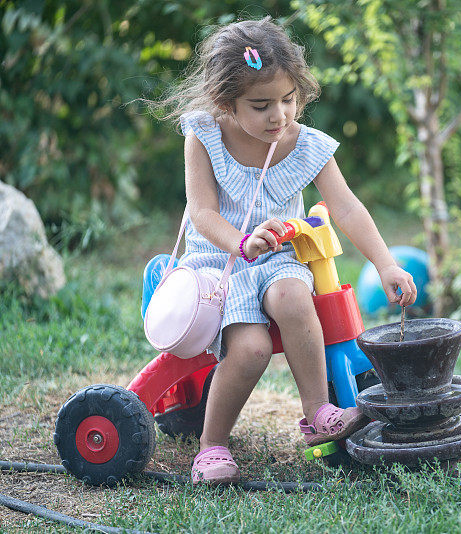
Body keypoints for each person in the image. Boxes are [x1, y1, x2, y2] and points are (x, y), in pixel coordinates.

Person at [150, 16, 417, 484]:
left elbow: (347, 207)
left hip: (279, 258)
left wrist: (386, 263)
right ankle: (212, 445)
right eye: (261, 105)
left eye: (288, 99)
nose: (279, 116)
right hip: (222, 261)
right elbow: (202, 213)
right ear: (225, 102)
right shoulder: (204, 135)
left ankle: (318, 411)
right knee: (250, 350)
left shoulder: (307, 146)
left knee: (294, 298)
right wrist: (241, 241)